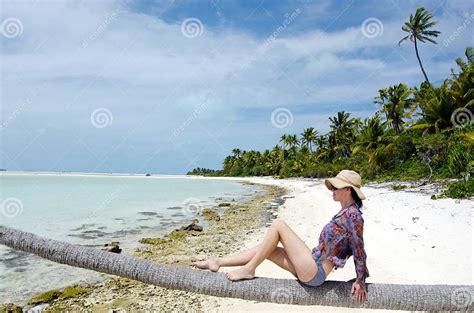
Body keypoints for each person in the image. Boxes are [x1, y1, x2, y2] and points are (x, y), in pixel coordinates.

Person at [193, 169, 370, 304]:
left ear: (348, 189)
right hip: (311, 263)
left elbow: (359, 249)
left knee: (278, 224)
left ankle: (249, 269)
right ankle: (218, 261)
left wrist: (360, 280)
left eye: (335, 187)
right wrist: (361, 276)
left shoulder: (353, 216)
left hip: (315, 272)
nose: (332, 190)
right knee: (268, 249)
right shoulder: (345, 212)